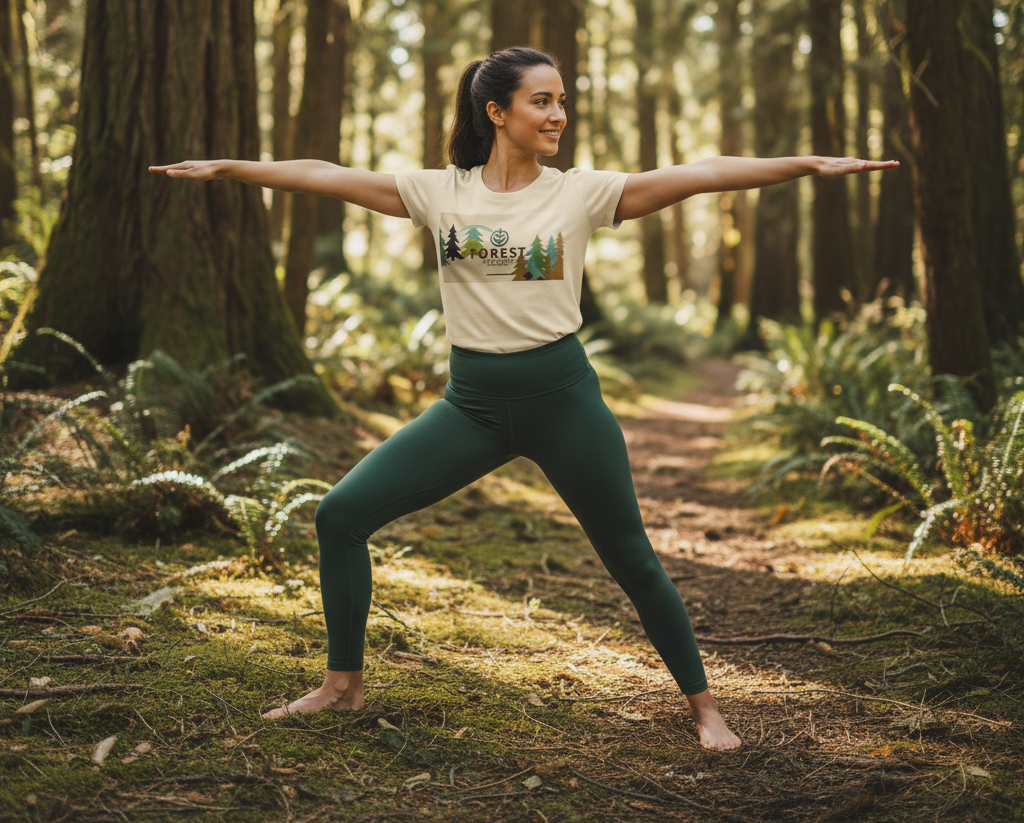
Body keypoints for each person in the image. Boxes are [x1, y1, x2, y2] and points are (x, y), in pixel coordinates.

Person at [151, 45, 898, 751]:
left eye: (561, 101)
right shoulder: (439, 192)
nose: (558, 115)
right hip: (470, 407)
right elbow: (325, 174)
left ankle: (705, 707)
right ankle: (341, 687)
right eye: (542, 101)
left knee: (632, 559)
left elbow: (700, 173)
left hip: (563, 404)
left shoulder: (579, 193)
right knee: (339, 515)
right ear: (496, 112)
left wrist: (808, 164)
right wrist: (232, 168)